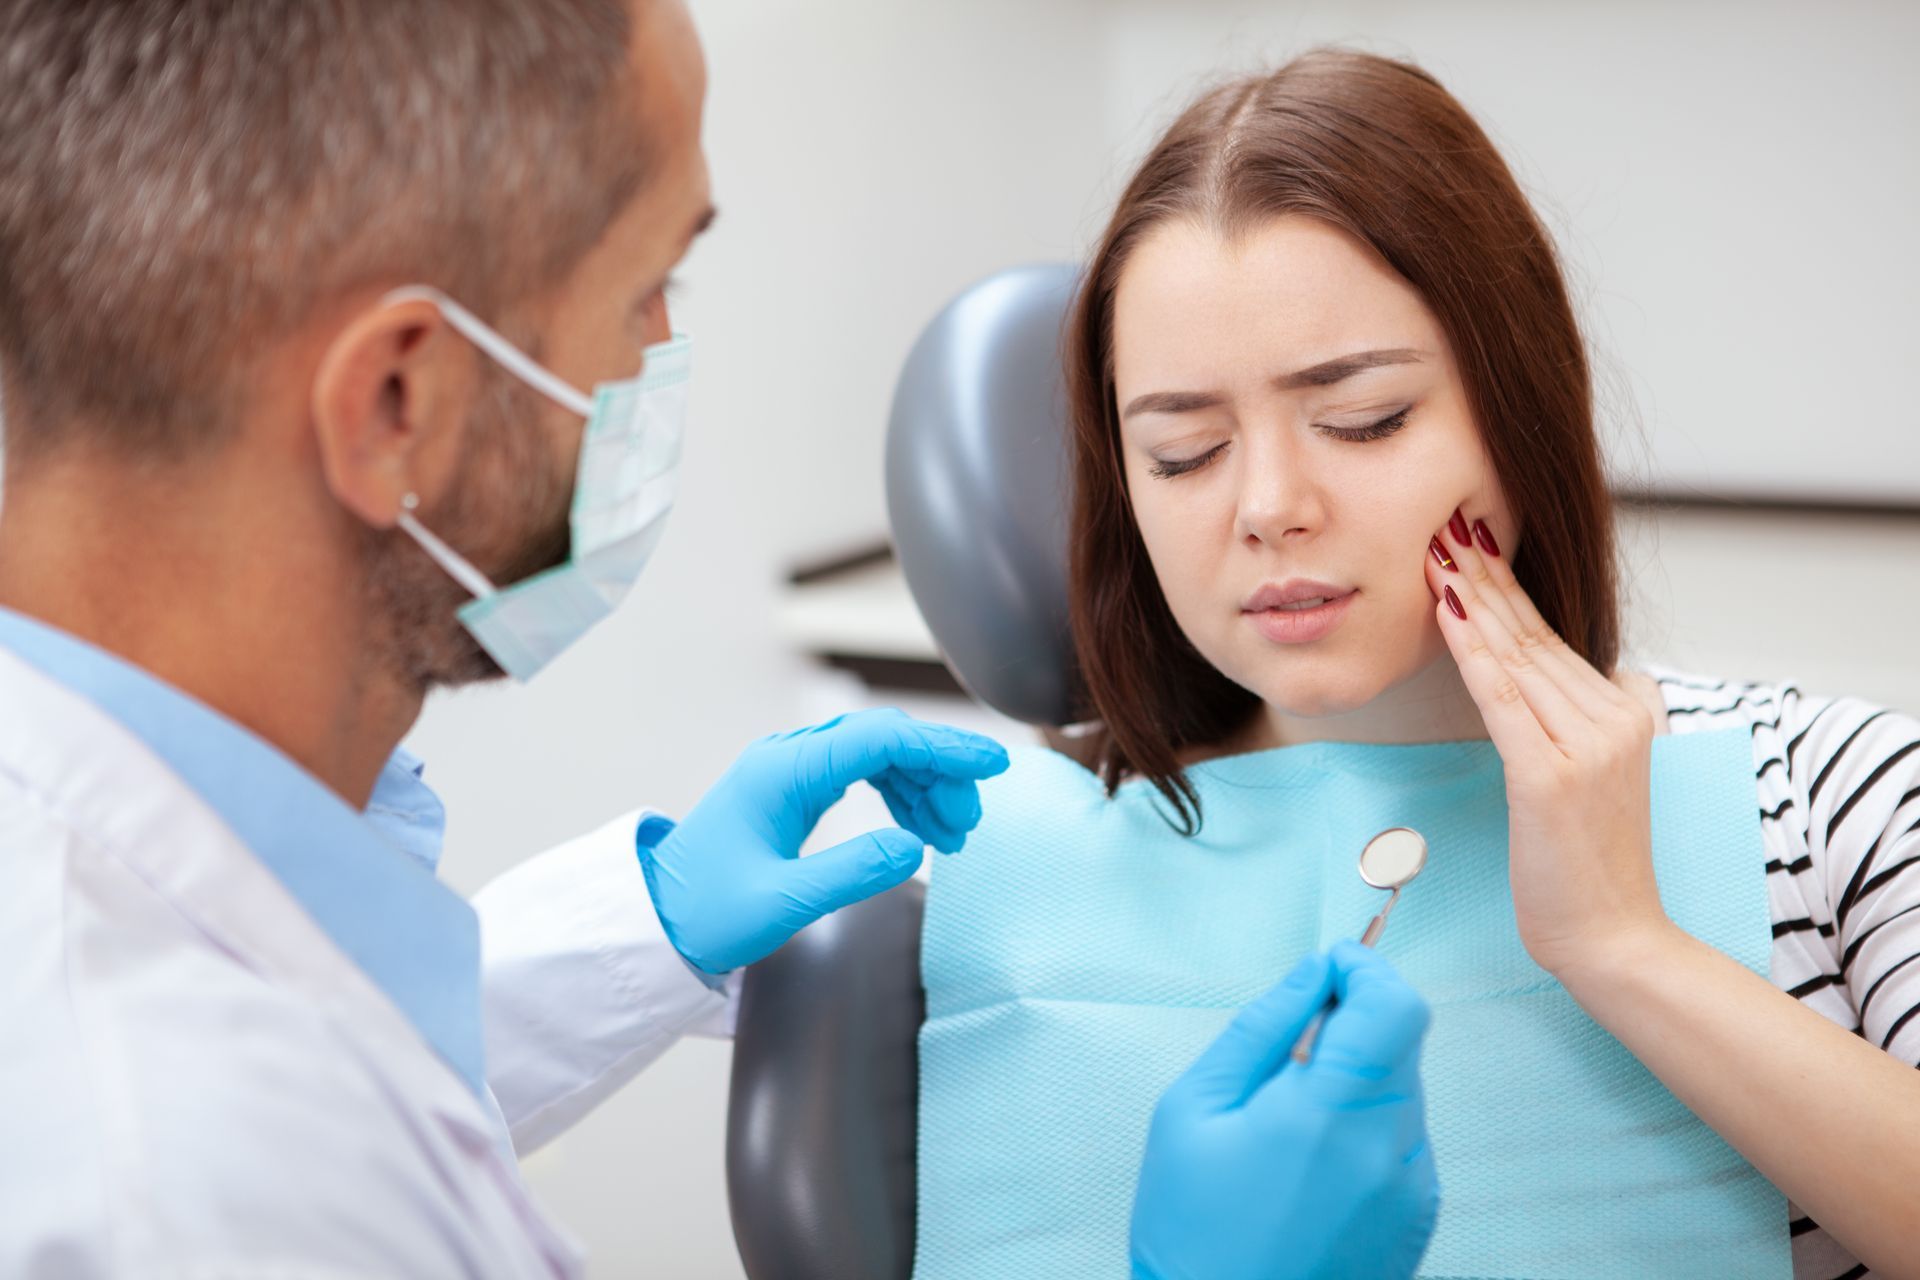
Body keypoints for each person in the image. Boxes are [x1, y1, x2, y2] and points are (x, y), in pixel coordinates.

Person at [0, 3, 1438, 1277]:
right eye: (644, 295)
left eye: (1366, 417)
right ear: (398, 406)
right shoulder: (170, 1189)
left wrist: (647, 926)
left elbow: (345, 1065)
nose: (661, 357)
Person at [921, 47, 1920, 1280]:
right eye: (1182, 451)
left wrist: (1626, 943)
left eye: (1365, 420)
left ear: (1518, 406)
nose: (1271, 506)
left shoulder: (1833, 794)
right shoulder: (987, 875)